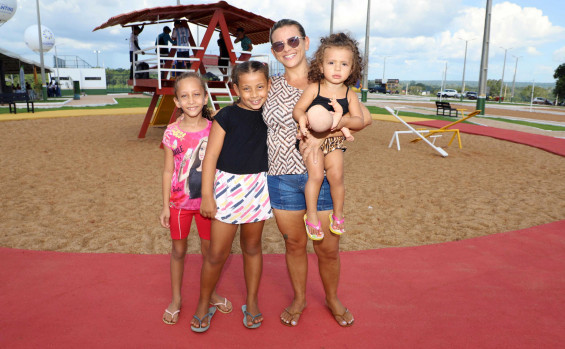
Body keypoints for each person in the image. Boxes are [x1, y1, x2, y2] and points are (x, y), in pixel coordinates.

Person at [262, 19, 372, 328]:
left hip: (322, 176)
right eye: (279, 45)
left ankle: (332, 298)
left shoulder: (330, 79)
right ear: (273, 51)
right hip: (281, 176)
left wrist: (331, 130)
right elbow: (242, 107)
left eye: (293, 41)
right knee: (294, 245)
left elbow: (366, 119)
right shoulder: (269, 83)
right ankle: (299, 298)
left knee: (328, 248)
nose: (287, 49)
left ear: (307, 42)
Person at [191, 61, 272, 332]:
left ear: (268, 85)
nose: (254, 94)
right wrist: (206, 196)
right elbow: (210, 157)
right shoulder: (225, 116)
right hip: (226, 189)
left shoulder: (271, 115)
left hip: (258, 188)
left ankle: (251, 301)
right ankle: (204, 303)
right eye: (247, 88)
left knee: (252, 248)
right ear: (235, 88)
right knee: (217, 253)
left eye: (260, 86)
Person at [160, 72, 232, 326]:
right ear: (177, 101)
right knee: (178, 251)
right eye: (184, 96)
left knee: (209, 252)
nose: (191, 100)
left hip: (207, 205)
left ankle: (210, 293)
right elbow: (168, 170)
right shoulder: (171, 132)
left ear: (204, 97)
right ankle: (176, 299)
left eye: (196, 94)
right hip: (179, 205)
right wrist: (165, 206)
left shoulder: (216, 128)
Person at [293, 32, 365, 240]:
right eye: (331, 62)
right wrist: (302, 120)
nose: (336, 68)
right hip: (310, 141)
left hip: (334, 141)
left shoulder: (349, 94)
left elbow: (359, 121)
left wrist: (340, 121)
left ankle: (339, 214)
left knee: (336, 176)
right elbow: (298, 110)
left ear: (352, 69)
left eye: (343, 64)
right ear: (321, 65)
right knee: (315, 176)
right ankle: (312, 215)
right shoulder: (314, 88)